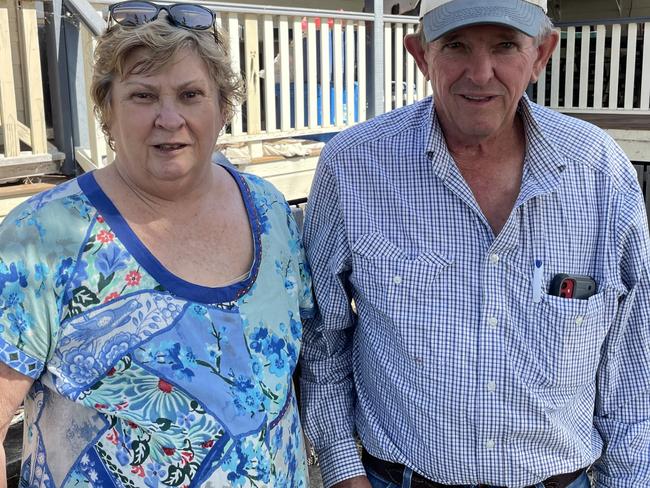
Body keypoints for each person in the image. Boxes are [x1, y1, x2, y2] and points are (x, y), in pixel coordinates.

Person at [300, 0, 650, 487]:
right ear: (421, 55)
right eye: (456, 45)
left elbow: (633, 355)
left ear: (541, 54)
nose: (480, 73)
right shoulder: (353, 165)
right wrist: (342, 469)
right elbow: (321, 334)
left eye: (505, 45)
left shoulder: (601, 171)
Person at [0, 2, 313, 487]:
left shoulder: (270, 211)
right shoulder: (41, 236)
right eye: (143, 96)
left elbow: (302, 359)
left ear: (223, 106)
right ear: (107, 108)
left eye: (191, 94)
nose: (170, 118)